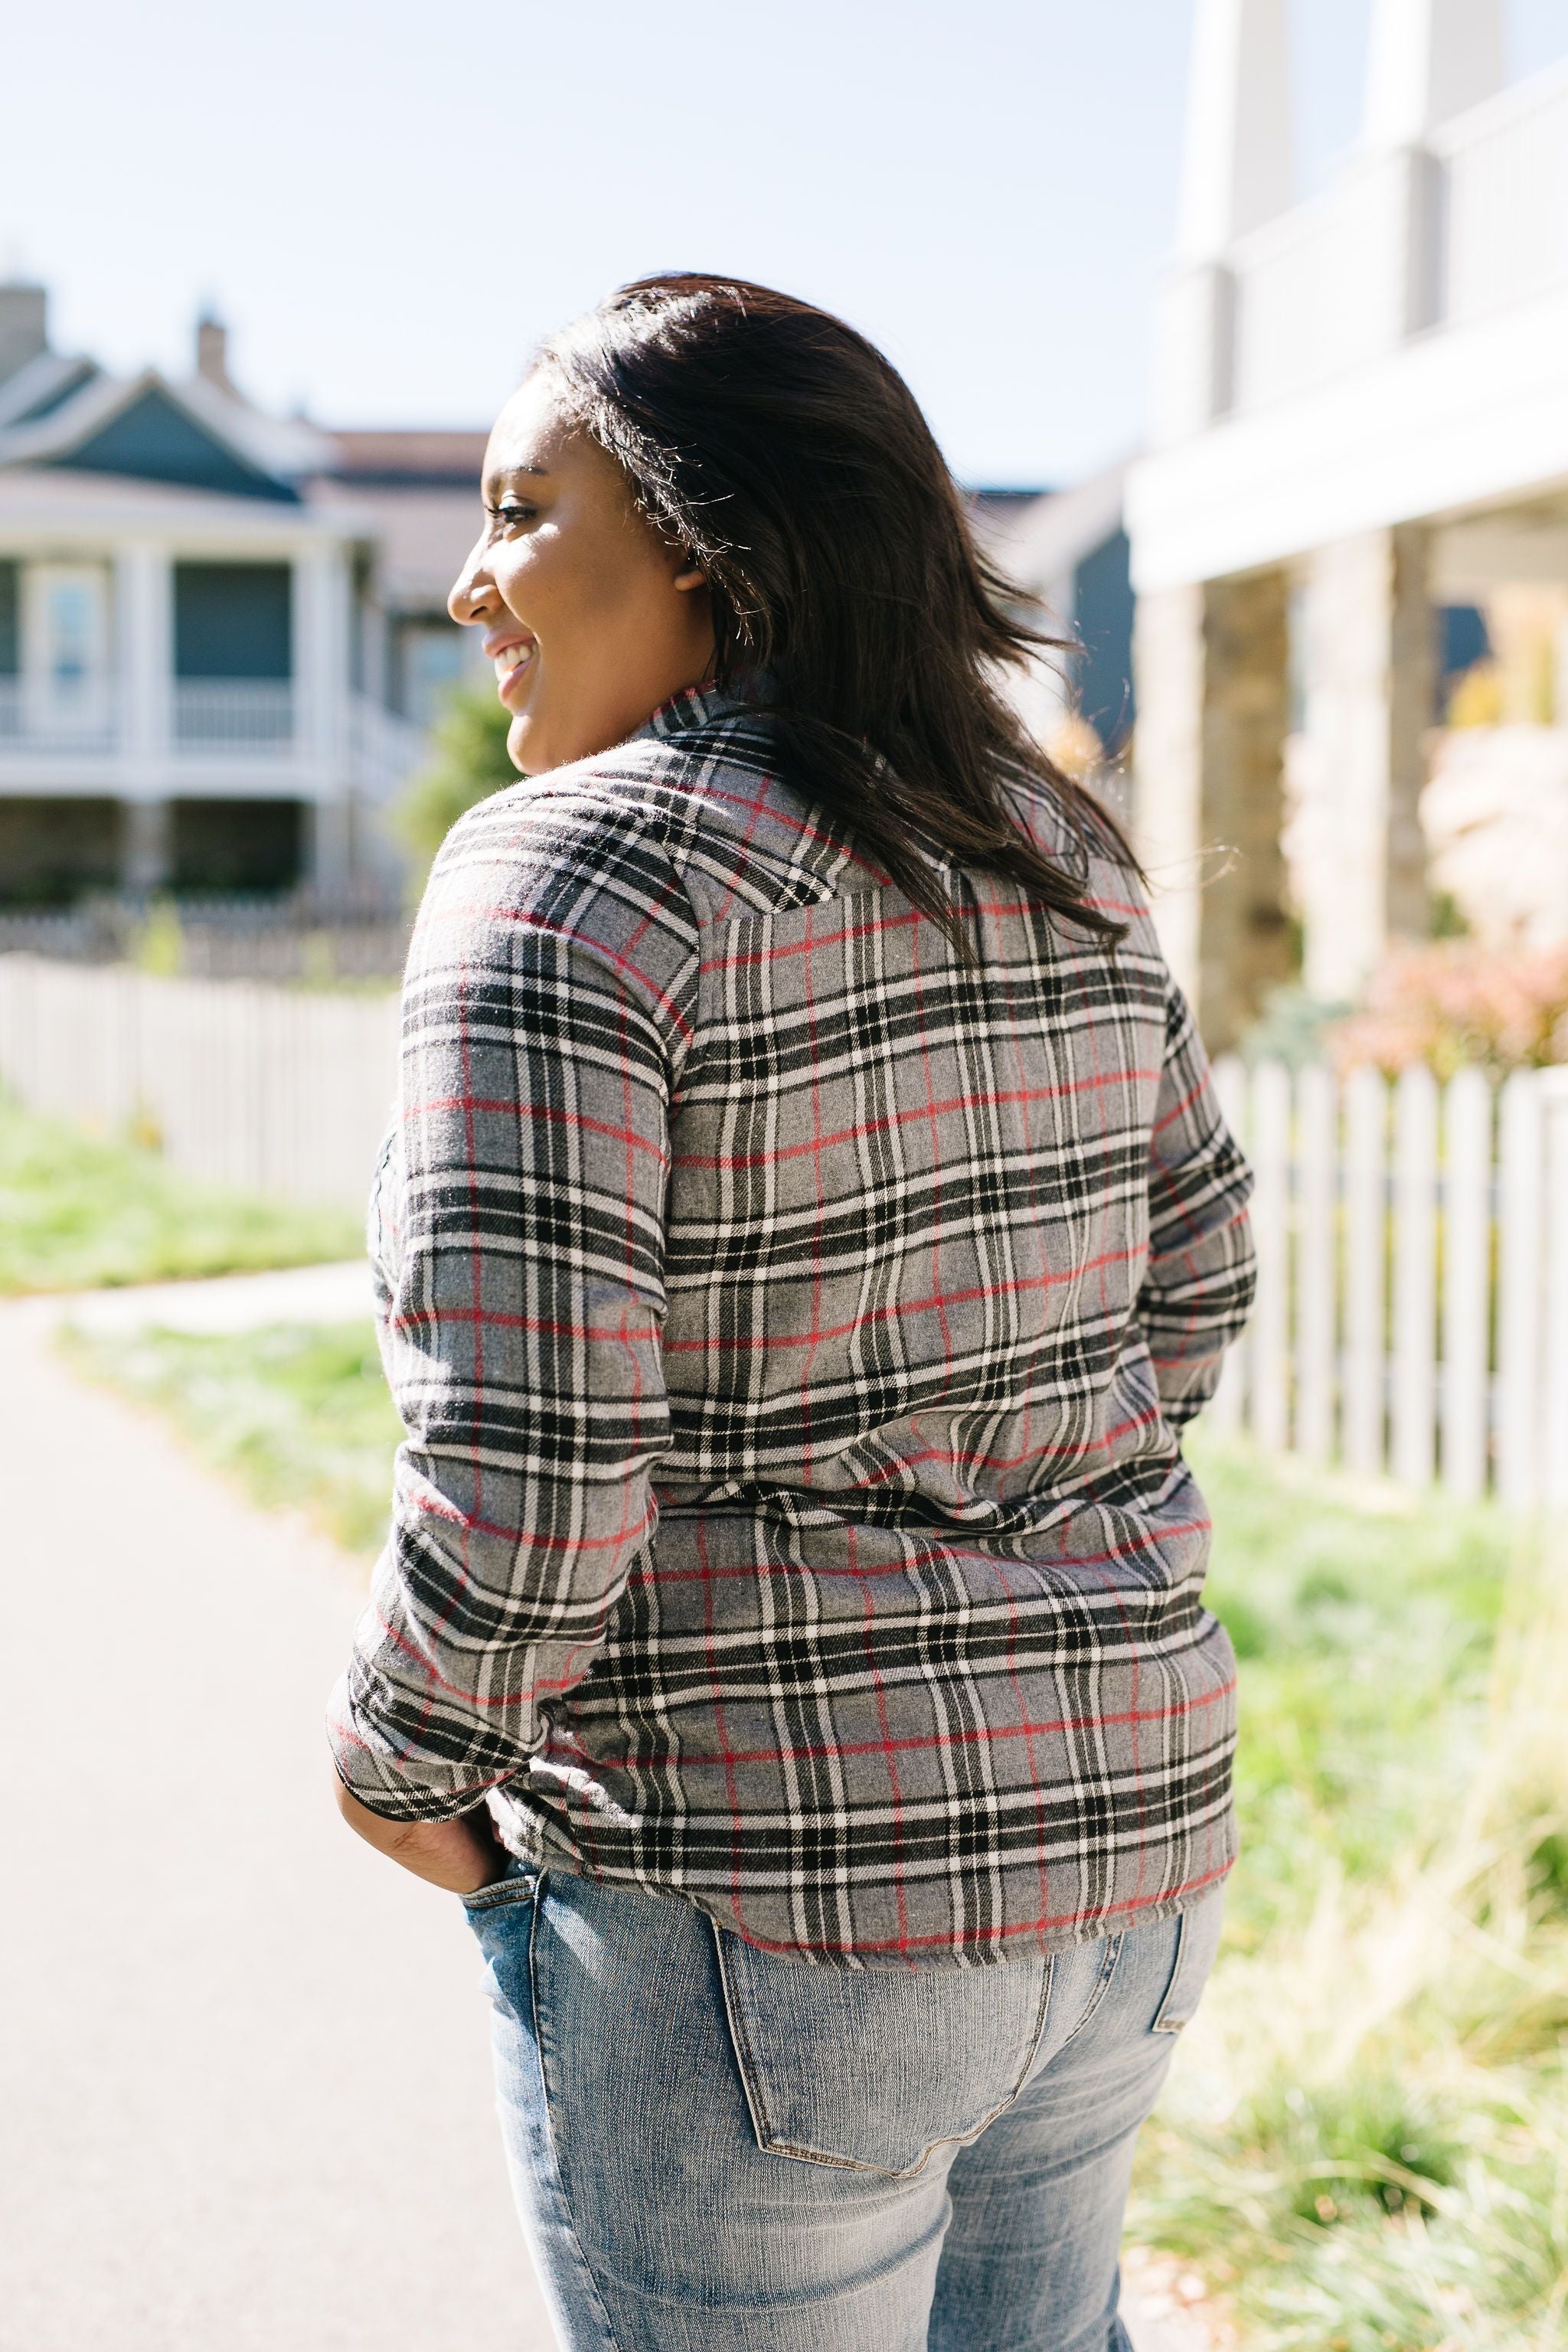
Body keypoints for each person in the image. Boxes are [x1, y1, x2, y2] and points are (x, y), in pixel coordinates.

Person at [328, 273, 1254, 2352]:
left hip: (760, 1894)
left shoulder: (566, 876)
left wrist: (402, 1756)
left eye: (518, 511)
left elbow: (540, 1460)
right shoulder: (1053, 851)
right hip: (1124, 1847)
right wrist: (1016, 1526)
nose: (472, 580)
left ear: (710, 547)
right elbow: (1197, 1271)